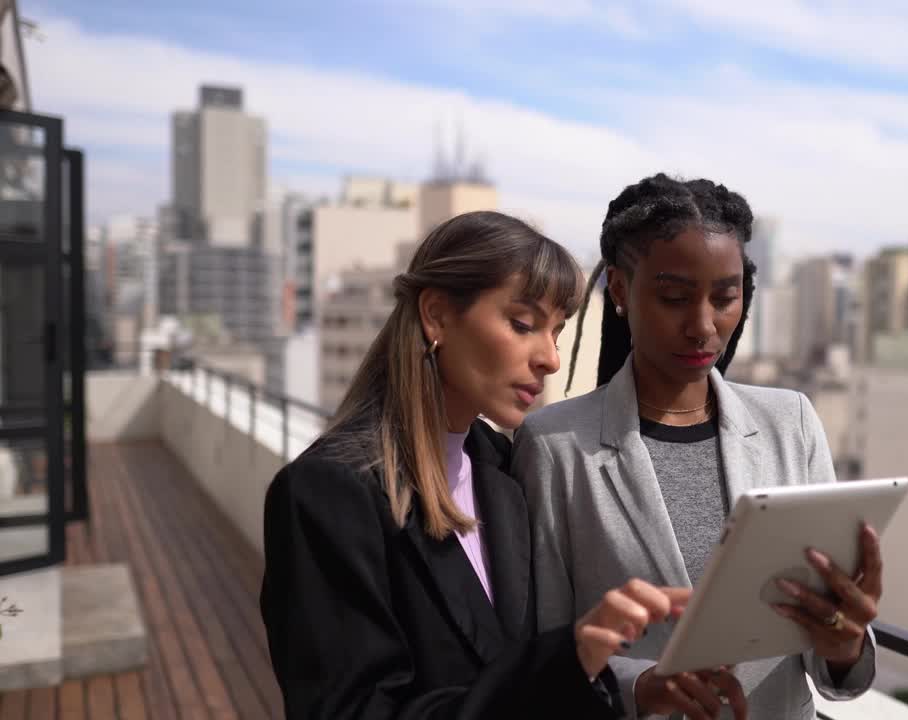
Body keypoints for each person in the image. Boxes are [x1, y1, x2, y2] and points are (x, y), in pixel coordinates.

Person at [260, 211, 710, 719]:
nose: (550, 359)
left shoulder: (501, 465)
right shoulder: (329, 492)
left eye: (557, 333)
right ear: (436, 315)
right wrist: (567, 660)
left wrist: (630, 688)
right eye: (522, 324)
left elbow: (515, 667)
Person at [513, 175, 884, 719]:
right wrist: (640, 689)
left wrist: (844, 644)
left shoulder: (792, 423)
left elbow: (827, 659)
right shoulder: (554, 446)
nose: (704, 325)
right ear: (619, 290)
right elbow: (545, 649)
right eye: (674, 298)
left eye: (726, 297)